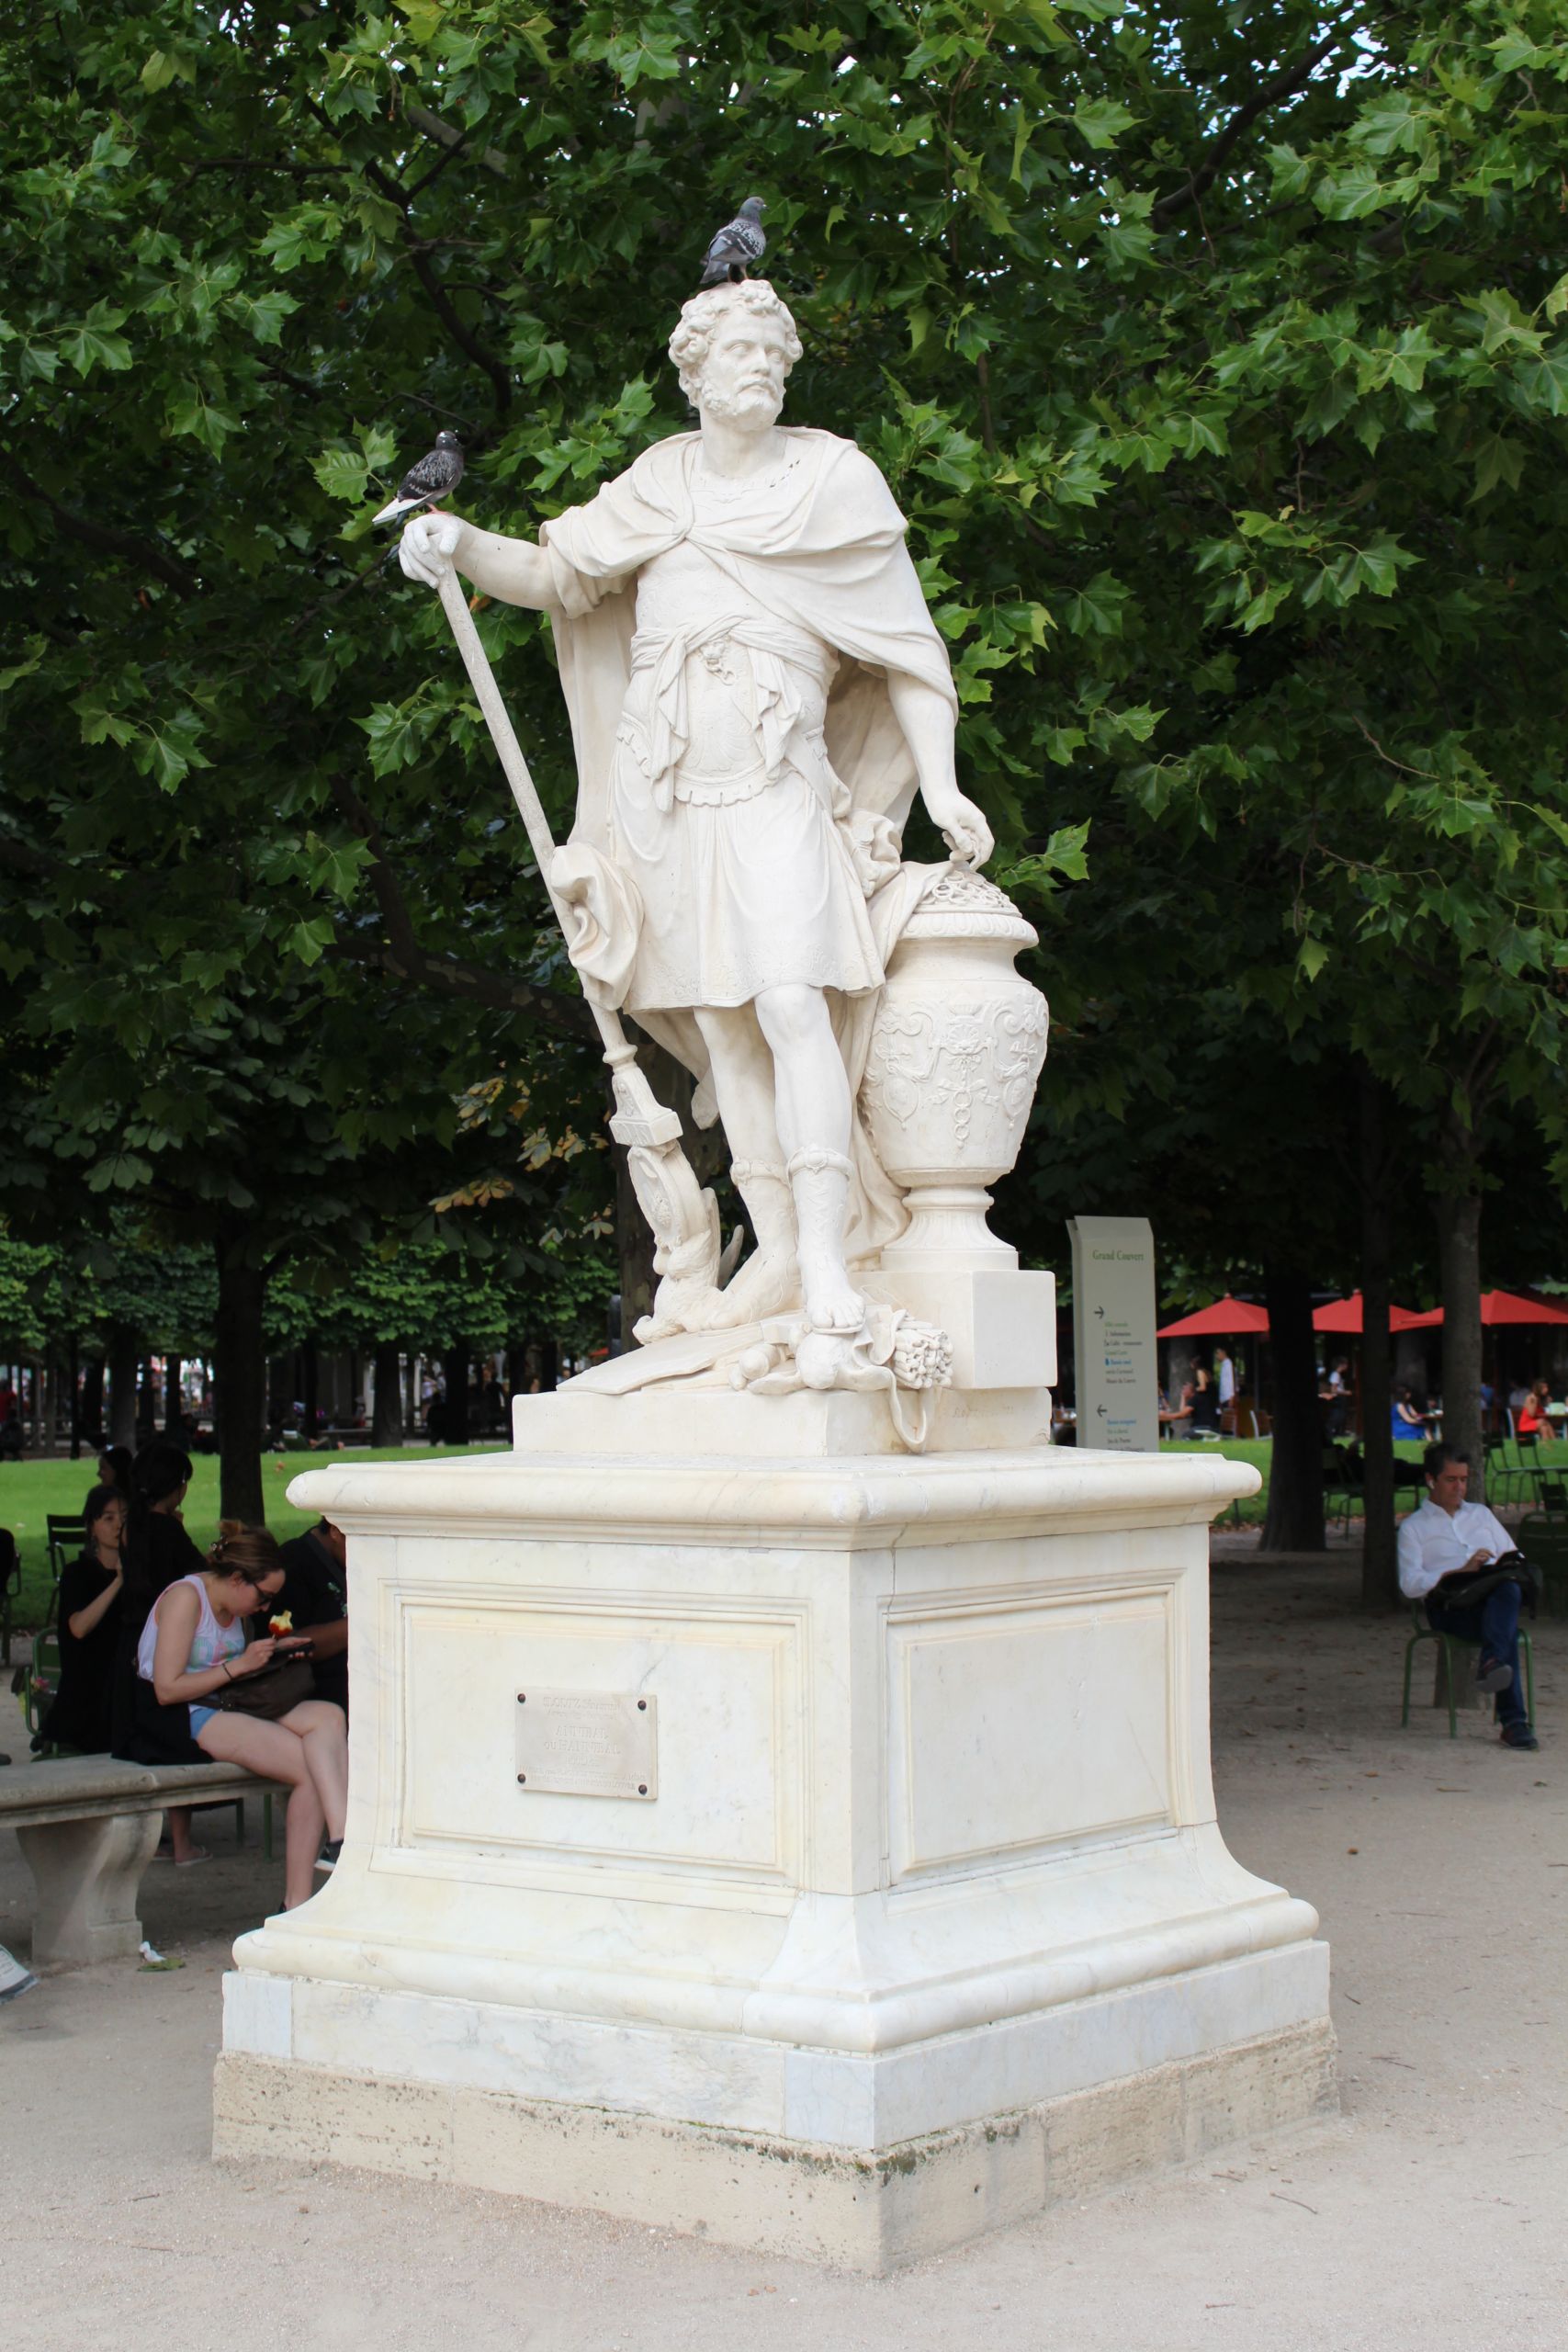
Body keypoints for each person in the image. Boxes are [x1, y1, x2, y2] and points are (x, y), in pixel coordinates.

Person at [399, 275, 991, 1381]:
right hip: (665, 801)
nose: (763, 366)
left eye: (777, 352)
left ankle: (827, 1270)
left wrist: (944, 786)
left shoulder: (834, 482)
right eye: (741, 352)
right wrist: (458, 542)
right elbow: (554, 574)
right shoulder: (658, 483)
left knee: (789, 1001)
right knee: (724, 1034)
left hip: (778, 785)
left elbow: (912, 653)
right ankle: (777, 1253)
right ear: (695, 374)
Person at [138, 1523, 348, 1907]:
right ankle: (297, 1902)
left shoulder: (235, 1606)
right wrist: (240, 1666)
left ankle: (341, 1838)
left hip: (228, 1699)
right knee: (307, 1766)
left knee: (329, 1716)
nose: (265, 1606)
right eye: (263, 1596)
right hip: (179, 1714)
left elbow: (230, 1665)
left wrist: (275, 1652)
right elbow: (166, 1690)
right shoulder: (188, 1598)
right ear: (237, 1580)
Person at [1397, 1444, 1538, 1749]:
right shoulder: (1414, 1528)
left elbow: (1516, 1556)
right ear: (1431, 1480)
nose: (1459, 1487)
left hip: (1491, 1601)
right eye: (1451, 1480)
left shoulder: (1482, 1515)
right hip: (1450, 1608)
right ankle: (1513, 1722)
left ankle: (1493, 1664)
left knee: (1508, 1589)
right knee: (1505, 1630)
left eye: (1464, 1479)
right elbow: (1409, 1583)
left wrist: (1492, 1568)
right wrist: (1458, 1572)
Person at [111, 1442, 209, 1863]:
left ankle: (146, 1839)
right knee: (173, 1738)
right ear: (176, 1487)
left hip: (132, 1637)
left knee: (140, 1736)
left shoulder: (132, 1526)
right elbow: (200, 1573)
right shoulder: (168, 1529)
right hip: (167, 1640)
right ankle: (182, 1843)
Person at [37, 1483, 126, 1755]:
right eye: (108, 1518)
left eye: (124, 1516)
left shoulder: (143, 1575)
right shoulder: (77, 1574)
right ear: (92, 1527)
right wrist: (119, 1582)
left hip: (124, 1692)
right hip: (87, 1697)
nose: (119, 1524)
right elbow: (78, 1627)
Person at [272, 1516, 349, 1716]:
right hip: (321, 1696)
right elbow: (284, 1644)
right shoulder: (294, 1563)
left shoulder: (343, 1558)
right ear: (335, 1531)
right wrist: (360, 1624)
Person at [1190, 1363, 1220, 1435]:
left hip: (1204, 1418)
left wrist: (1194, 1390)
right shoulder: (1208, 1374)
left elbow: (1203, 1387)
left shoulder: (1200, 1371)